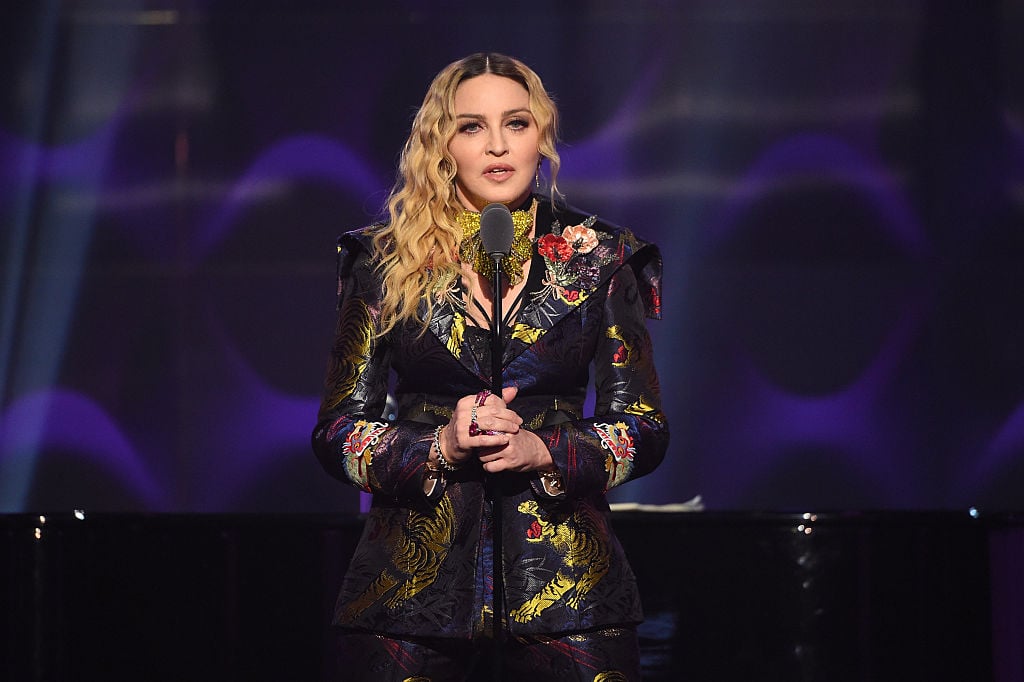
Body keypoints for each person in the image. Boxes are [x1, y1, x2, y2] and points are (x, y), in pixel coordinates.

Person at [312, 52, 669, 682]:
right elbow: (338, 432)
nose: (498, 145)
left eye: (518, 123)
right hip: (409, 595)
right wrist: (439, 445)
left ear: (543, 136)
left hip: (568, 589)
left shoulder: (601, 257)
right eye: (472, 126)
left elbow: (643, 428)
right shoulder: (382, 260)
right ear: (440, 143)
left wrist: (544, 450)